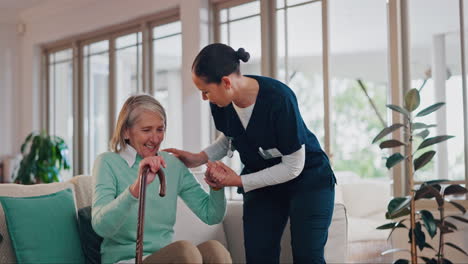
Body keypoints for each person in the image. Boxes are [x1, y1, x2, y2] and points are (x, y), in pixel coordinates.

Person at [165, 43, 337, 264]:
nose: (204, 98)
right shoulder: (221, 102)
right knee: (259, 256)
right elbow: (230, 137)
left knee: (307, 256)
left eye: (205, 91)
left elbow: (294, 165)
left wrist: (237, 180)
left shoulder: (279, 98)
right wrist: (199, 158)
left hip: (307, 178)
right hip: (262, 180)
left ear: (226, 82)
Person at [91, 94, 232, 264]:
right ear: (126, 131)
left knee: (214, 251)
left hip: (165, 257)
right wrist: (135, 190)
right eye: (146, 130)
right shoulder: (108, 162)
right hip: (126, 260)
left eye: (160, 129)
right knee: (185, 252)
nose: (155, 138)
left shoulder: (171, 164)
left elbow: (211, 215)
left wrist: (216, 187)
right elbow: (101, 226)